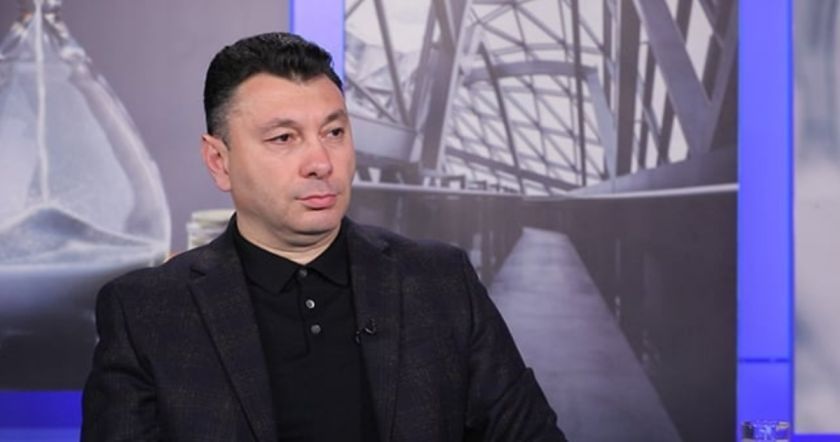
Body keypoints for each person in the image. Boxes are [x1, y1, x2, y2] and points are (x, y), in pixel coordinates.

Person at [81, 32, 566, 442]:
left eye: (334, 132)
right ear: (219, 161)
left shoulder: (441, 281)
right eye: (284, 138)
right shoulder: (146, 312)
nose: (321, 162)